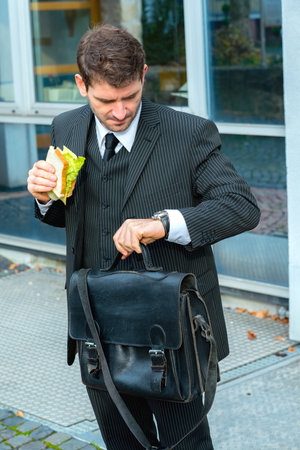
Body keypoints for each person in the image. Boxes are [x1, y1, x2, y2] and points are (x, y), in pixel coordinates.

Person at [27, 24, 260, 450]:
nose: (119, 111)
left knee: (185, 445)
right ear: (81, 84)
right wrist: (45, 198)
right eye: (105, 100)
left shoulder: (189, 133)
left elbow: (241, 207)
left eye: (130, 96)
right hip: (95, 325)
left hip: (171, 330)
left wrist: (164, 224)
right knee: (121, 443)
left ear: (144, 75)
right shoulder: (65, 127)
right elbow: (67, 217)